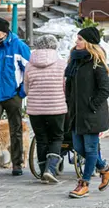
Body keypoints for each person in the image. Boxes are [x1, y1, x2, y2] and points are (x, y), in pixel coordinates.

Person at [65, 27, 109, 198]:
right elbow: (70, 87)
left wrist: (92, 105)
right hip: (76, 114)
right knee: (79, 147)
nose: (76, 42)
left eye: (79, 39)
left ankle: (84, 183)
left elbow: (105, 89)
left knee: (90, 148)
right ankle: (105, 168)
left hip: (92, 114)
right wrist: (69, 104)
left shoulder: (97, 63)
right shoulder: (74, 61)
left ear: (88, 42)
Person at [0, 17, 31, 180]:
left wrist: (22, 93)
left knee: (15, 129)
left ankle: (17, 164)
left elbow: (29, 71)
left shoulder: (19, 46)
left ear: (4, 32)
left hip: (12, 95)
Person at [25, 34, 67, 184]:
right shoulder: (61, 64)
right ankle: (50, 169)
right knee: (56, 137)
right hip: (56, 108)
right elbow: (65, 87)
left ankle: (43, 172)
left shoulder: (29, 65)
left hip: (35, 109)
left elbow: (26, 88)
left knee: (41, 139)